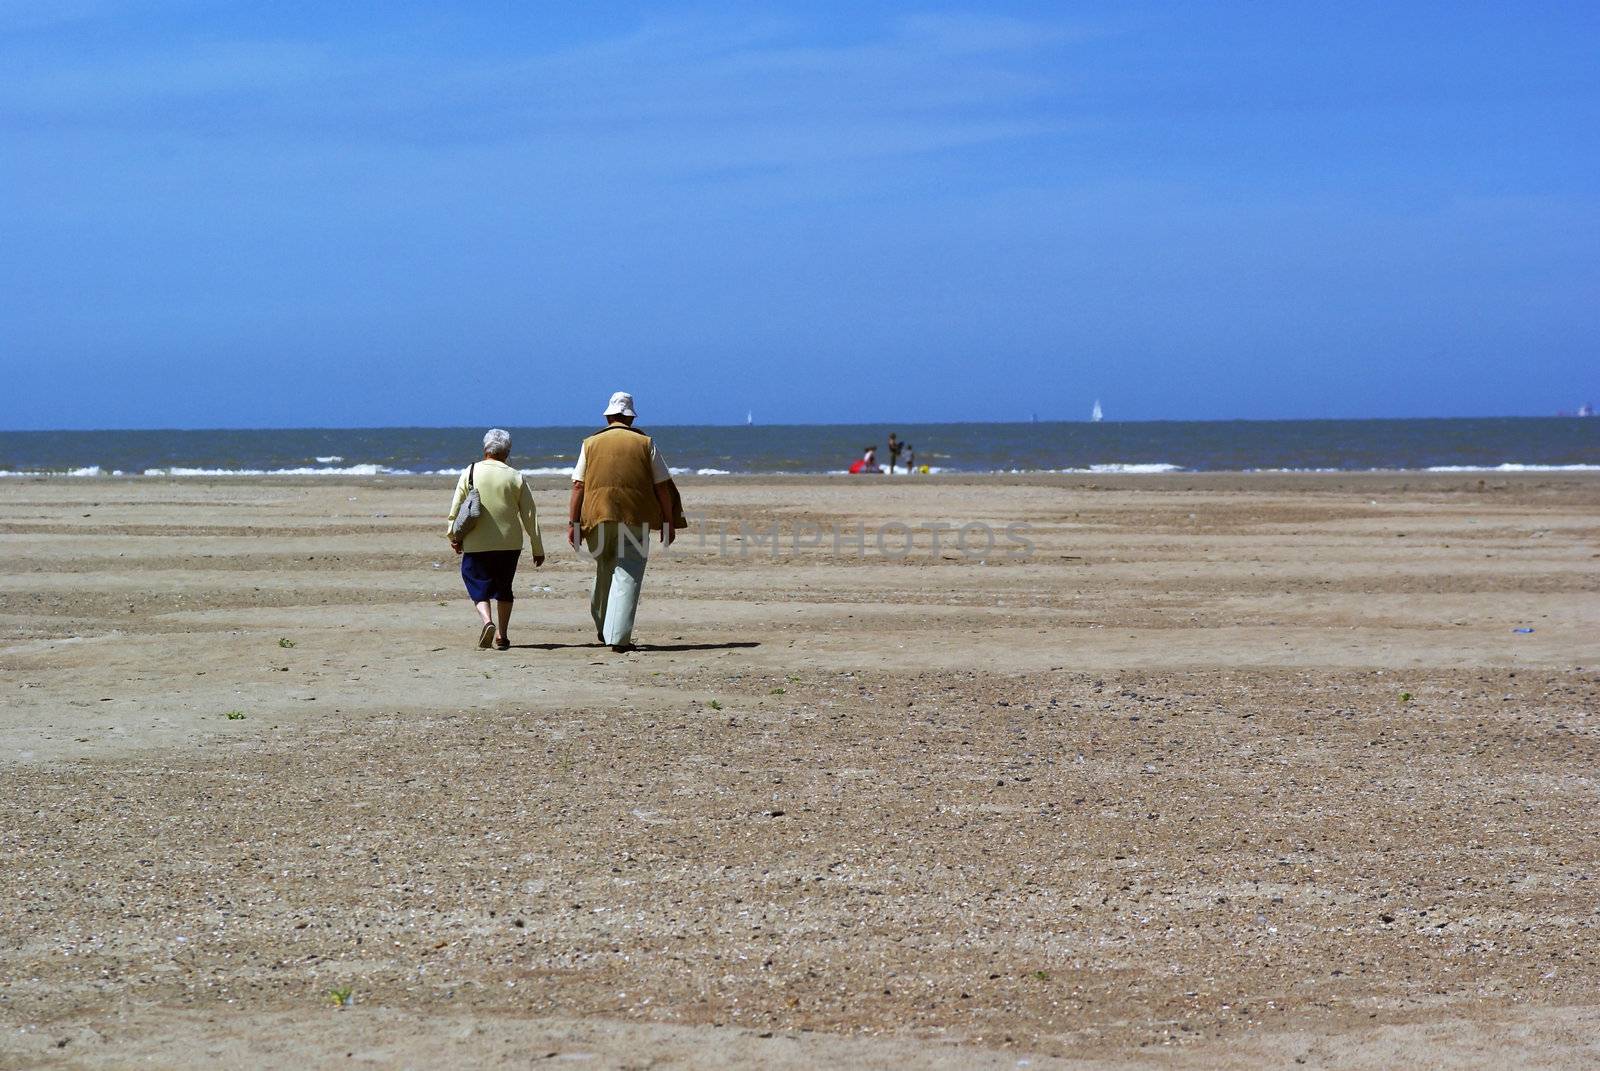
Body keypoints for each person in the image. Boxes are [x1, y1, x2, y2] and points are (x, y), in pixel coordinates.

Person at [567, 392, 682, 652]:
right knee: (627, 571)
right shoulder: (645, 442)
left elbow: (577, 486)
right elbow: (662, 486)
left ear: (608, 416)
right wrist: (669, 521)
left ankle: (602, 625)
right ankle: (617, 638)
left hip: (596, 516)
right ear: (630, 418)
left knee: (604, 567)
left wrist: (572, 523)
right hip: (635, 517)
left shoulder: (590, 443)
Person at [446, 428, 545, 650]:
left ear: (485, 449)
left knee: (476, 582)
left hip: (476, 541)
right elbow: (530, 515)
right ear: (507, 452)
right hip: (509, 543)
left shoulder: (470, 472)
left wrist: (454, 536)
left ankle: (487, 621)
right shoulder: (516, 476)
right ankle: (502, 635)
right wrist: (537, 547)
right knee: (504, 587)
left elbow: (456, 509)